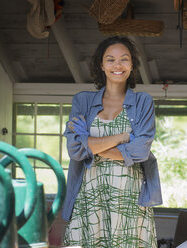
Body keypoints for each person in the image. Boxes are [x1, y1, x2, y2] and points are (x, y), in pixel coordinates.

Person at [61, 36, 162, 248]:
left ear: (132, 65)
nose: (118, 65)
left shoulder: (143, 102)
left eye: (124, 59)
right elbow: (76, 150)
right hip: (88, 198)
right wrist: (123, 138)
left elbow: (140, 151)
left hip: (130, 199)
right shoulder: (82, 101)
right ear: (101, 64)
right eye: (110, 59)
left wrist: (91, 144)